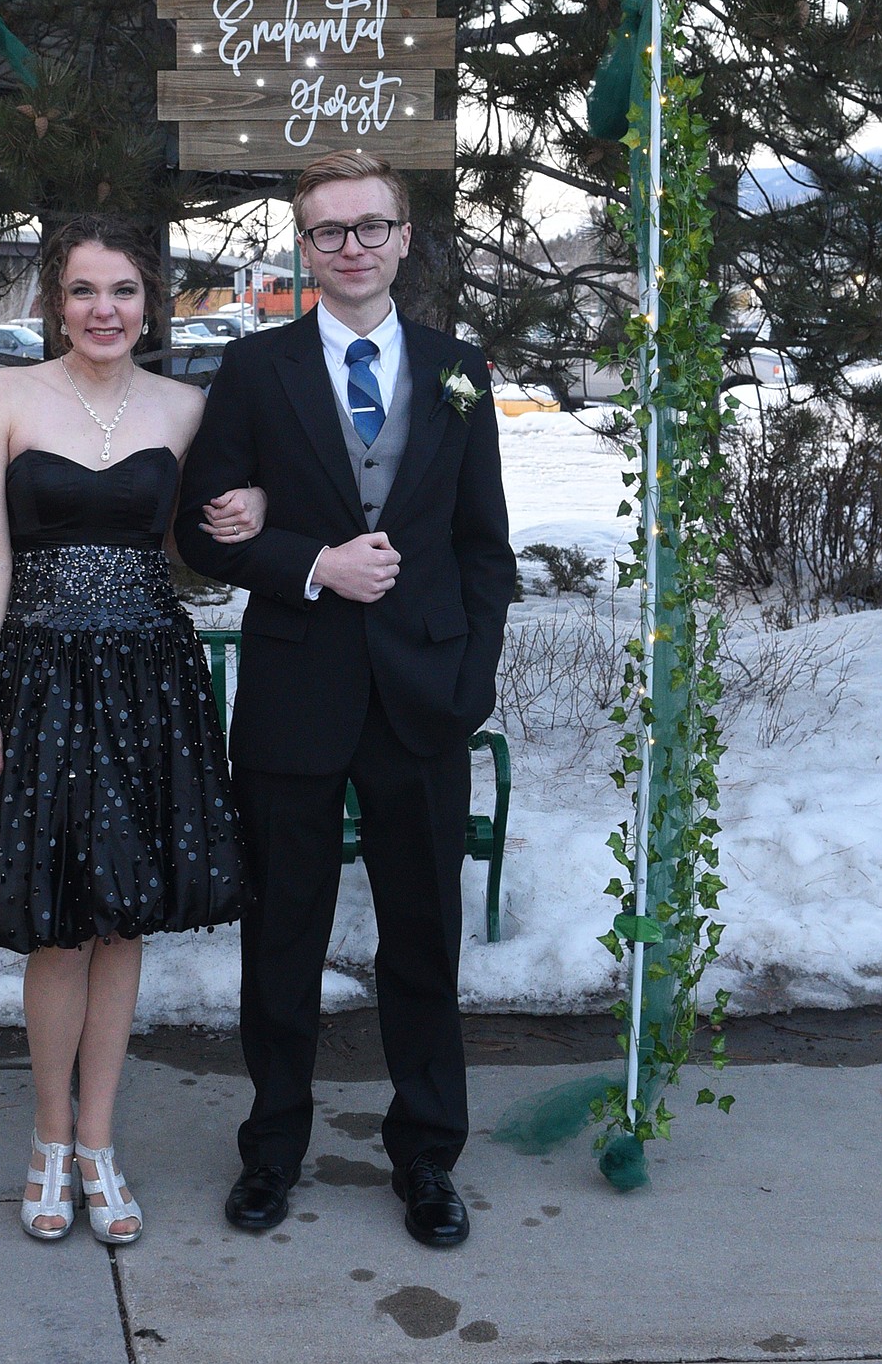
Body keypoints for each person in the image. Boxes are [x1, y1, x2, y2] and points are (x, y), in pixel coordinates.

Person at [176, 152, 516, 1248]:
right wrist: (315, 563)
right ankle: (272, 1149)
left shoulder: (459, 369)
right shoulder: (257, 370)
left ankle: (428, 1156)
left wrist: (471, 679)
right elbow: (201, 533)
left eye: (372, 227)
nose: (352, 247)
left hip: (423, 697)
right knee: (281, 934)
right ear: (304, 248)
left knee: (423, 938)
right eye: (329, 232)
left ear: (405, 239)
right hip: (295, 694)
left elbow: (481, 545)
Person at [0, 213, 262, 1245]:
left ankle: (99, 1142)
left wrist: (248, 519)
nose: (104, 311)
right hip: (37, 679)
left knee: (122, 916)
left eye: (123, 291)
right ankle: (48, 1139)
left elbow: (199, 544)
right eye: (84, 291)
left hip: (146, 681)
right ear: (55, 299)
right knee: (56, 922)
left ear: (150, 301)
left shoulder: (186, 408)